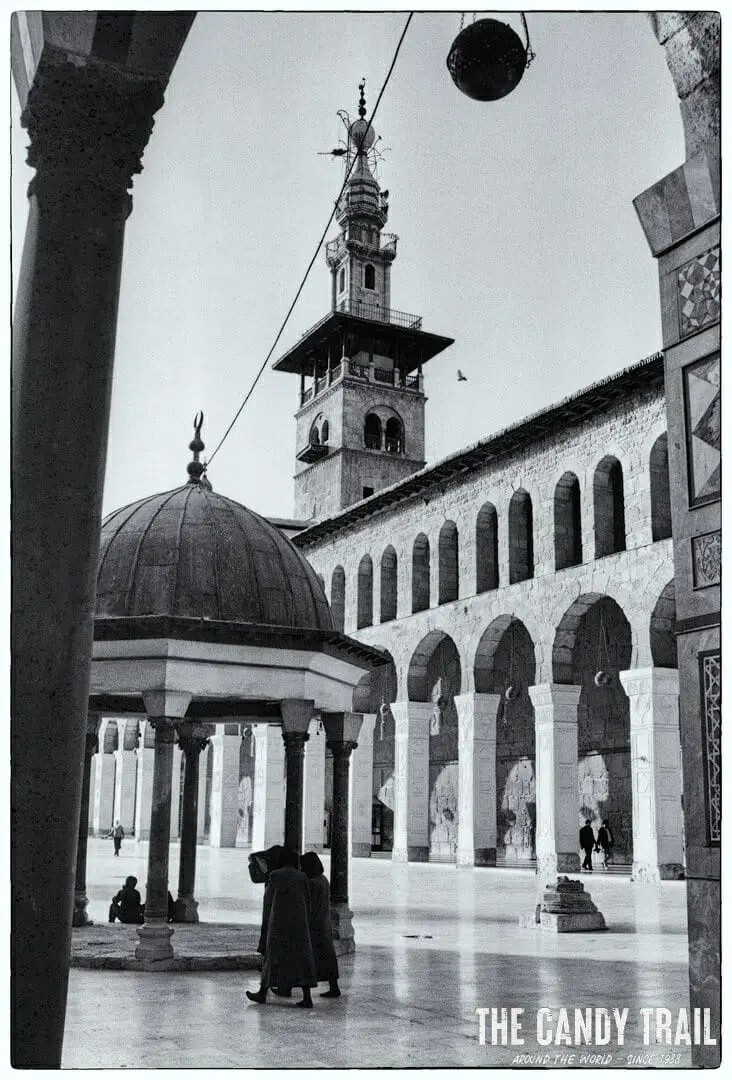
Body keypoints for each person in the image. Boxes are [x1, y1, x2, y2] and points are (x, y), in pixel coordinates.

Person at [247, 848, 317, 1008]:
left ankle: (262, 994)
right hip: (299, 923)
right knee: (302, 958)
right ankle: (307, 997)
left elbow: (268, 899)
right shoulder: (302, 876)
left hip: (279, 923)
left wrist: (253, 861)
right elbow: (308, 901)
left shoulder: (275, 876)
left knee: (271, 958)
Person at [301, 852, 340, 998]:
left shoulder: (311, 883)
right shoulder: (323, 880)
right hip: (324, 923)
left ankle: (306, 994)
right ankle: (334, 986)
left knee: (308, 958)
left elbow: (307, 904)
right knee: (328, 956)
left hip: (313, 924)